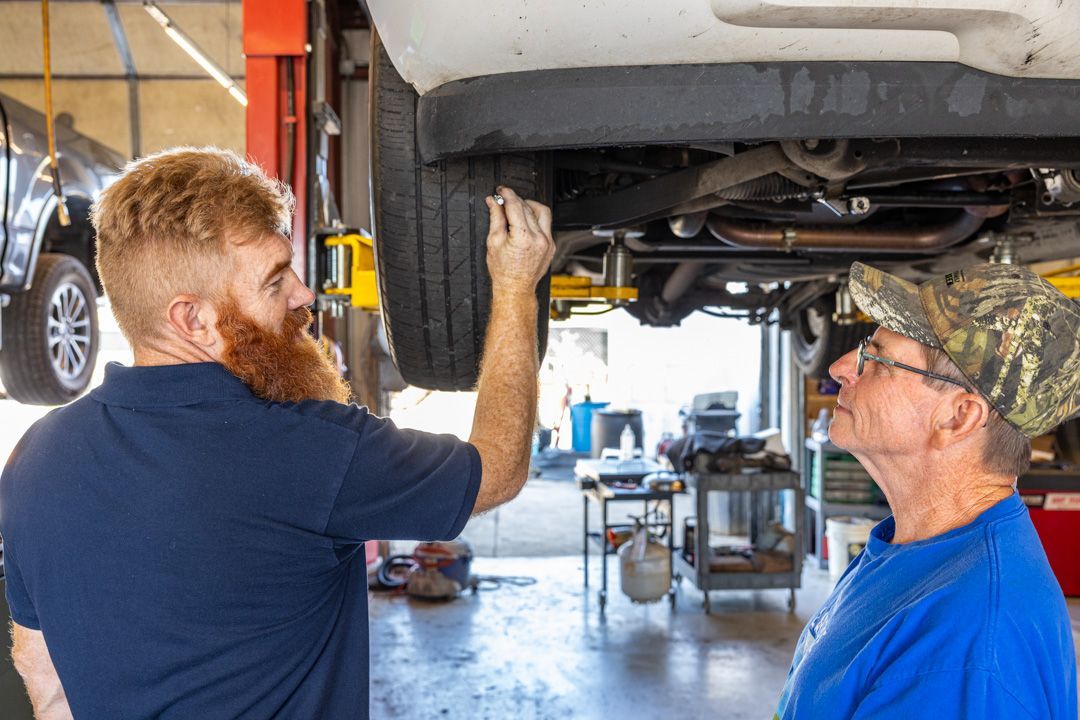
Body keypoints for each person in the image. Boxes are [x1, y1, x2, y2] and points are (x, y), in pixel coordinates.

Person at [0, 148, 554, 719]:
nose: (302, 294)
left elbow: (49, 687)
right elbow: (498, 468)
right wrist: (515, 288)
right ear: (192, 320)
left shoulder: (33, 460)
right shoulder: (309, 451)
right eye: (273, 281)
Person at [775, 261, 1079, 719]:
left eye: (874, 359)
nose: (839, 368)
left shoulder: (966, 659)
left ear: (959, 417)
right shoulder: (914, 544)